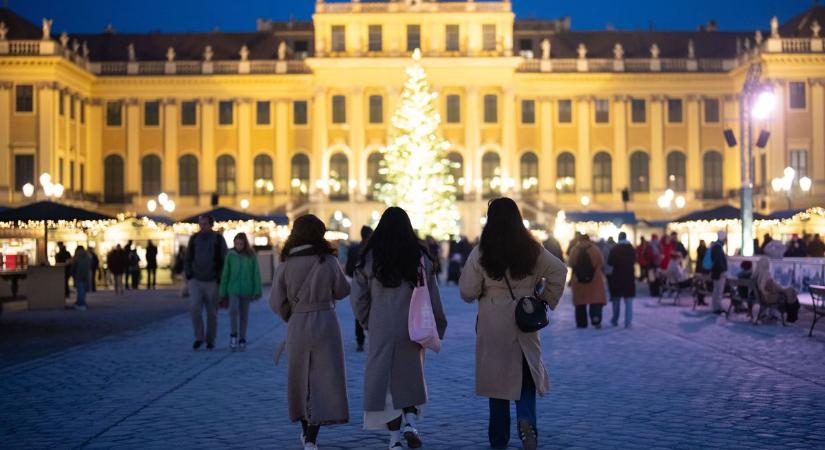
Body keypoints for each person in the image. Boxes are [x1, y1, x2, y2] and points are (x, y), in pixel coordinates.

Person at [459, 198, 566, 450]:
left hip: (493, 321)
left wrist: (485, 289)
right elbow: (559, 271)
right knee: (525, 376)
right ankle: (527, 421)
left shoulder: (482, 251)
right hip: (523, 317)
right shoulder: (532, 248)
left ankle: (499, 439)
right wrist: (544, 299)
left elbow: (467, 291)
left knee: (497, 384)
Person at [351, 207, 447, 450]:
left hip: (381, 324)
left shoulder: (369, 258)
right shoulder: (420, 257)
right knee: (410, 376)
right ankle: (410, 422)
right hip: (412, 325)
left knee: (384, 384)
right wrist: (438, 323)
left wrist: (366, 321)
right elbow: (432, 294)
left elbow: (358, 297)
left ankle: (394, 439)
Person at [270, 214, 350, 450]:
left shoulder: (286, 263)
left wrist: (292, 314)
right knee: (324, 379)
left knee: (300, 379)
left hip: (298, 323)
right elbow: (343, 290)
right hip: (326, 322)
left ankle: (306, 434)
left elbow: (276, 301)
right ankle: (312, 438)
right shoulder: (329, 261)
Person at [185, 215, 228, 350]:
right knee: (194, 308)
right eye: (200, 224)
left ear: (211, 225)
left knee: (212, 313)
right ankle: (199, 336)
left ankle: (210, 339)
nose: (202, 226)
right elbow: (187, 258)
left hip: (212, 281)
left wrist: (220, 278)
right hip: (196, 279)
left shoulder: (218, 239)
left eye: (204, 224)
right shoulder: (194, 239)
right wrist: (189, 275)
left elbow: (225, 259)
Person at [219, 232, 262, 350]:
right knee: (233, 310)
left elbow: (256, 273)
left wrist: (257, 290)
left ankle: (242, 337)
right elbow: (225, 273)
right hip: (232, 289)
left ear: (245, 244)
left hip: (246, 289)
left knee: (244, 314)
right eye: (236, 243)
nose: (238, 246)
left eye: (241, 243)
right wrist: (222, 291)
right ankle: (233, 335)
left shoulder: (251, 255)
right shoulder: (230, 255)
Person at [345, 225, 373, 352]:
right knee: (374, 310)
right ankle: (373, 337)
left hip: (357, 282)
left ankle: (360, 341)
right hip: (373, 284)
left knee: (359, 307)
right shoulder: (375, 249)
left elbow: (348, 267)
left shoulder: (354, 249)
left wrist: (353, 276)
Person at [569, 234, 607, 328]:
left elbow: (570, 263)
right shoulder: (595, 249)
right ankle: (595, 319)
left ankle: (581, 323)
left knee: (580, 303)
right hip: (594, 280)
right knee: (595, 300)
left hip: (578, 281)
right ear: (589, 240)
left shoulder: (574, 250)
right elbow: (601, 262)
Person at [752, 257, 801, 323]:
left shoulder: (757, 275)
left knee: (790, 292)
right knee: (791, 292)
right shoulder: (766, 274)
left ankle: (792, 313)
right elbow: (766, 287)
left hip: (770, 294)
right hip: (771, 296)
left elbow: (763, 287)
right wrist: (766, 292)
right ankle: (792, 315)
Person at [607, 232, 636, 328]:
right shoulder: (631, 248)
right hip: (629, 277)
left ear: (619, 238)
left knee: (616, 300)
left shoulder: (615, 249)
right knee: (628, 302)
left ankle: (615, 320)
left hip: (617, 277)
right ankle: (628, 322)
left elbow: (610, 262)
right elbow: (634, 260)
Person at [709, 231, 728, 314]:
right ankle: (717, 307)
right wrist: (722, 270)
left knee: (716, 290)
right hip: (719, 272)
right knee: (718, 290)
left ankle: (716, 307)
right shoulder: (718, 247)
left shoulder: (715, 246)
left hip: (716, 272)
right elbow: (718, 261)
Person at [71, 246, 93, 311]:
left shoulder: (76, 256)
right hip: (86, 275)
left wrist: (72, 273)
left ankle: (81, 303)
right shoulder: (88, 256)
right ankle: (81, 302)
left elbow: (74, 266)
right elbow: (91, 265)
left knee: (80, 290)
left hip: (78, 274)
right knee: (83, 290)